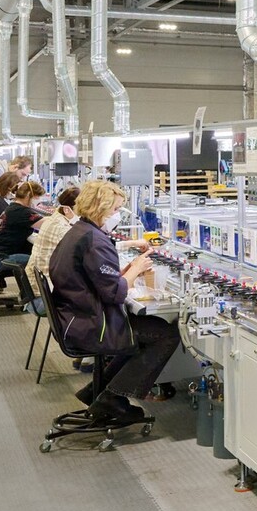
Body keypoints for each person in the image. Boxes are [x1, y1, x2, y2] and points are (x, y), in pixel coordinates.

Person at [48, 180, 176, 426]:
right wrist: (136, 267)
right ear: (100, 207)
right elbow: (115, 294)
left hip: (75, 319)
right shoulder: (95, 241)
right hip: (94, 325)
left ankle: (97, 392)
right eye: (115, 209)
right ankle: (113, 398)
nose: (117, 215)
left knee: (144, 332)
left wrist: (125, 273)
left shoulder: (79, 232)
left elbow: (97, 279)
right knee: (166, 334)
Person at [0, 177, 42, 282]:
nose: (39, 201)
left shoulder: (11, 208)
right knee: (38, 260)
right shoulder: (23, 212)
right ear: (29, 195)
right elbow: (47, 224)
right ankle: (33, 290)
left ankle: (28, 290)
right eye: (38, 197)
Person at [25, 184, 80, 288]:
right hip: (46, 287)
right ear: (67, 210)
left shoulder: (54, 219)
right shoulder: (61, 228)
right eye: (80, 211)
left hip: (39, 281)